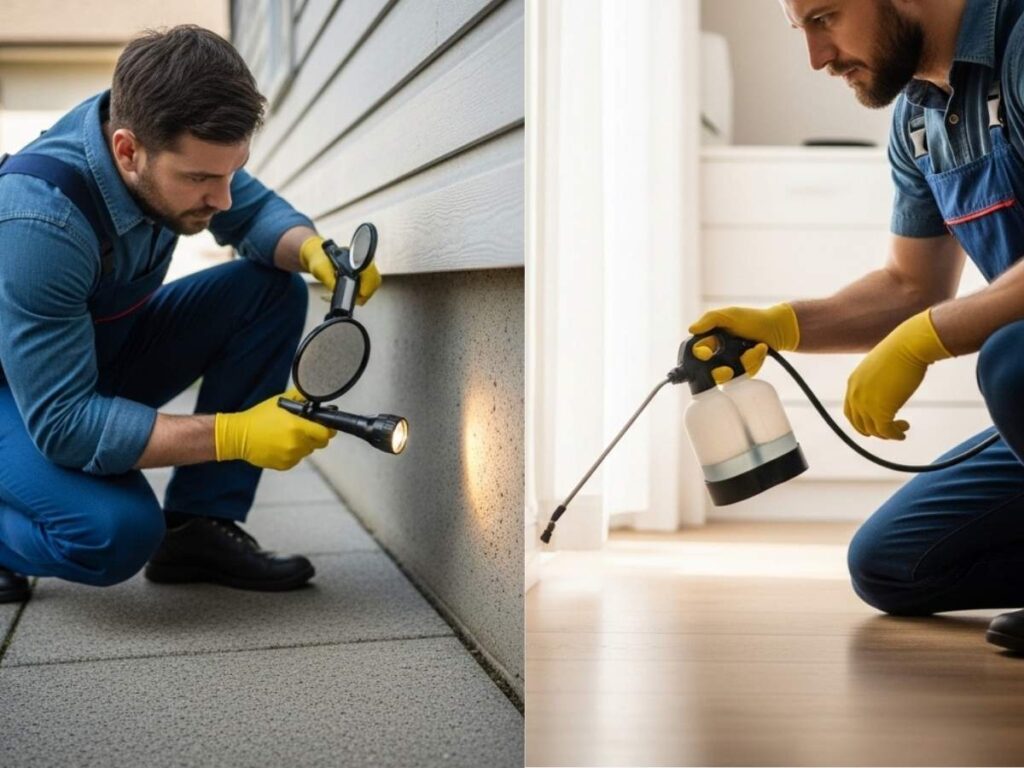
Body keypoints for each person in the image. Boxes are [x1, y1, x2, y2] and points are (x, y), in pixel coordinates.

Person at [0, 25, 381, 600]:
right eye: (201, 178)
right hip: (25, 398)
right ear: (127, 151)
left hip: (98, 357)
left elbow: (252, 216)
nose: (221, 198)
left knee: (269, 289)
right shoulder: (39, 225)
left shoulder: (165, 137)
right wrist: (234, 434)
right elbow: (64, 423)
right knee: (115, 533)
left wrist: (312, 250)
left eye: (229, 172)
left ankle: (198, 529)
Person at [689, 0, 1024, 652]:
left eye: (825, 18)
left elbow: (928, 315)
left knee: (1012, 360)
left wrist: (926, 339)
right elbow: (911, 285)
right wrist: (781, 325)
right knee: (893, 562)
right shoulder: (920, 118)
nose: (817, 58)